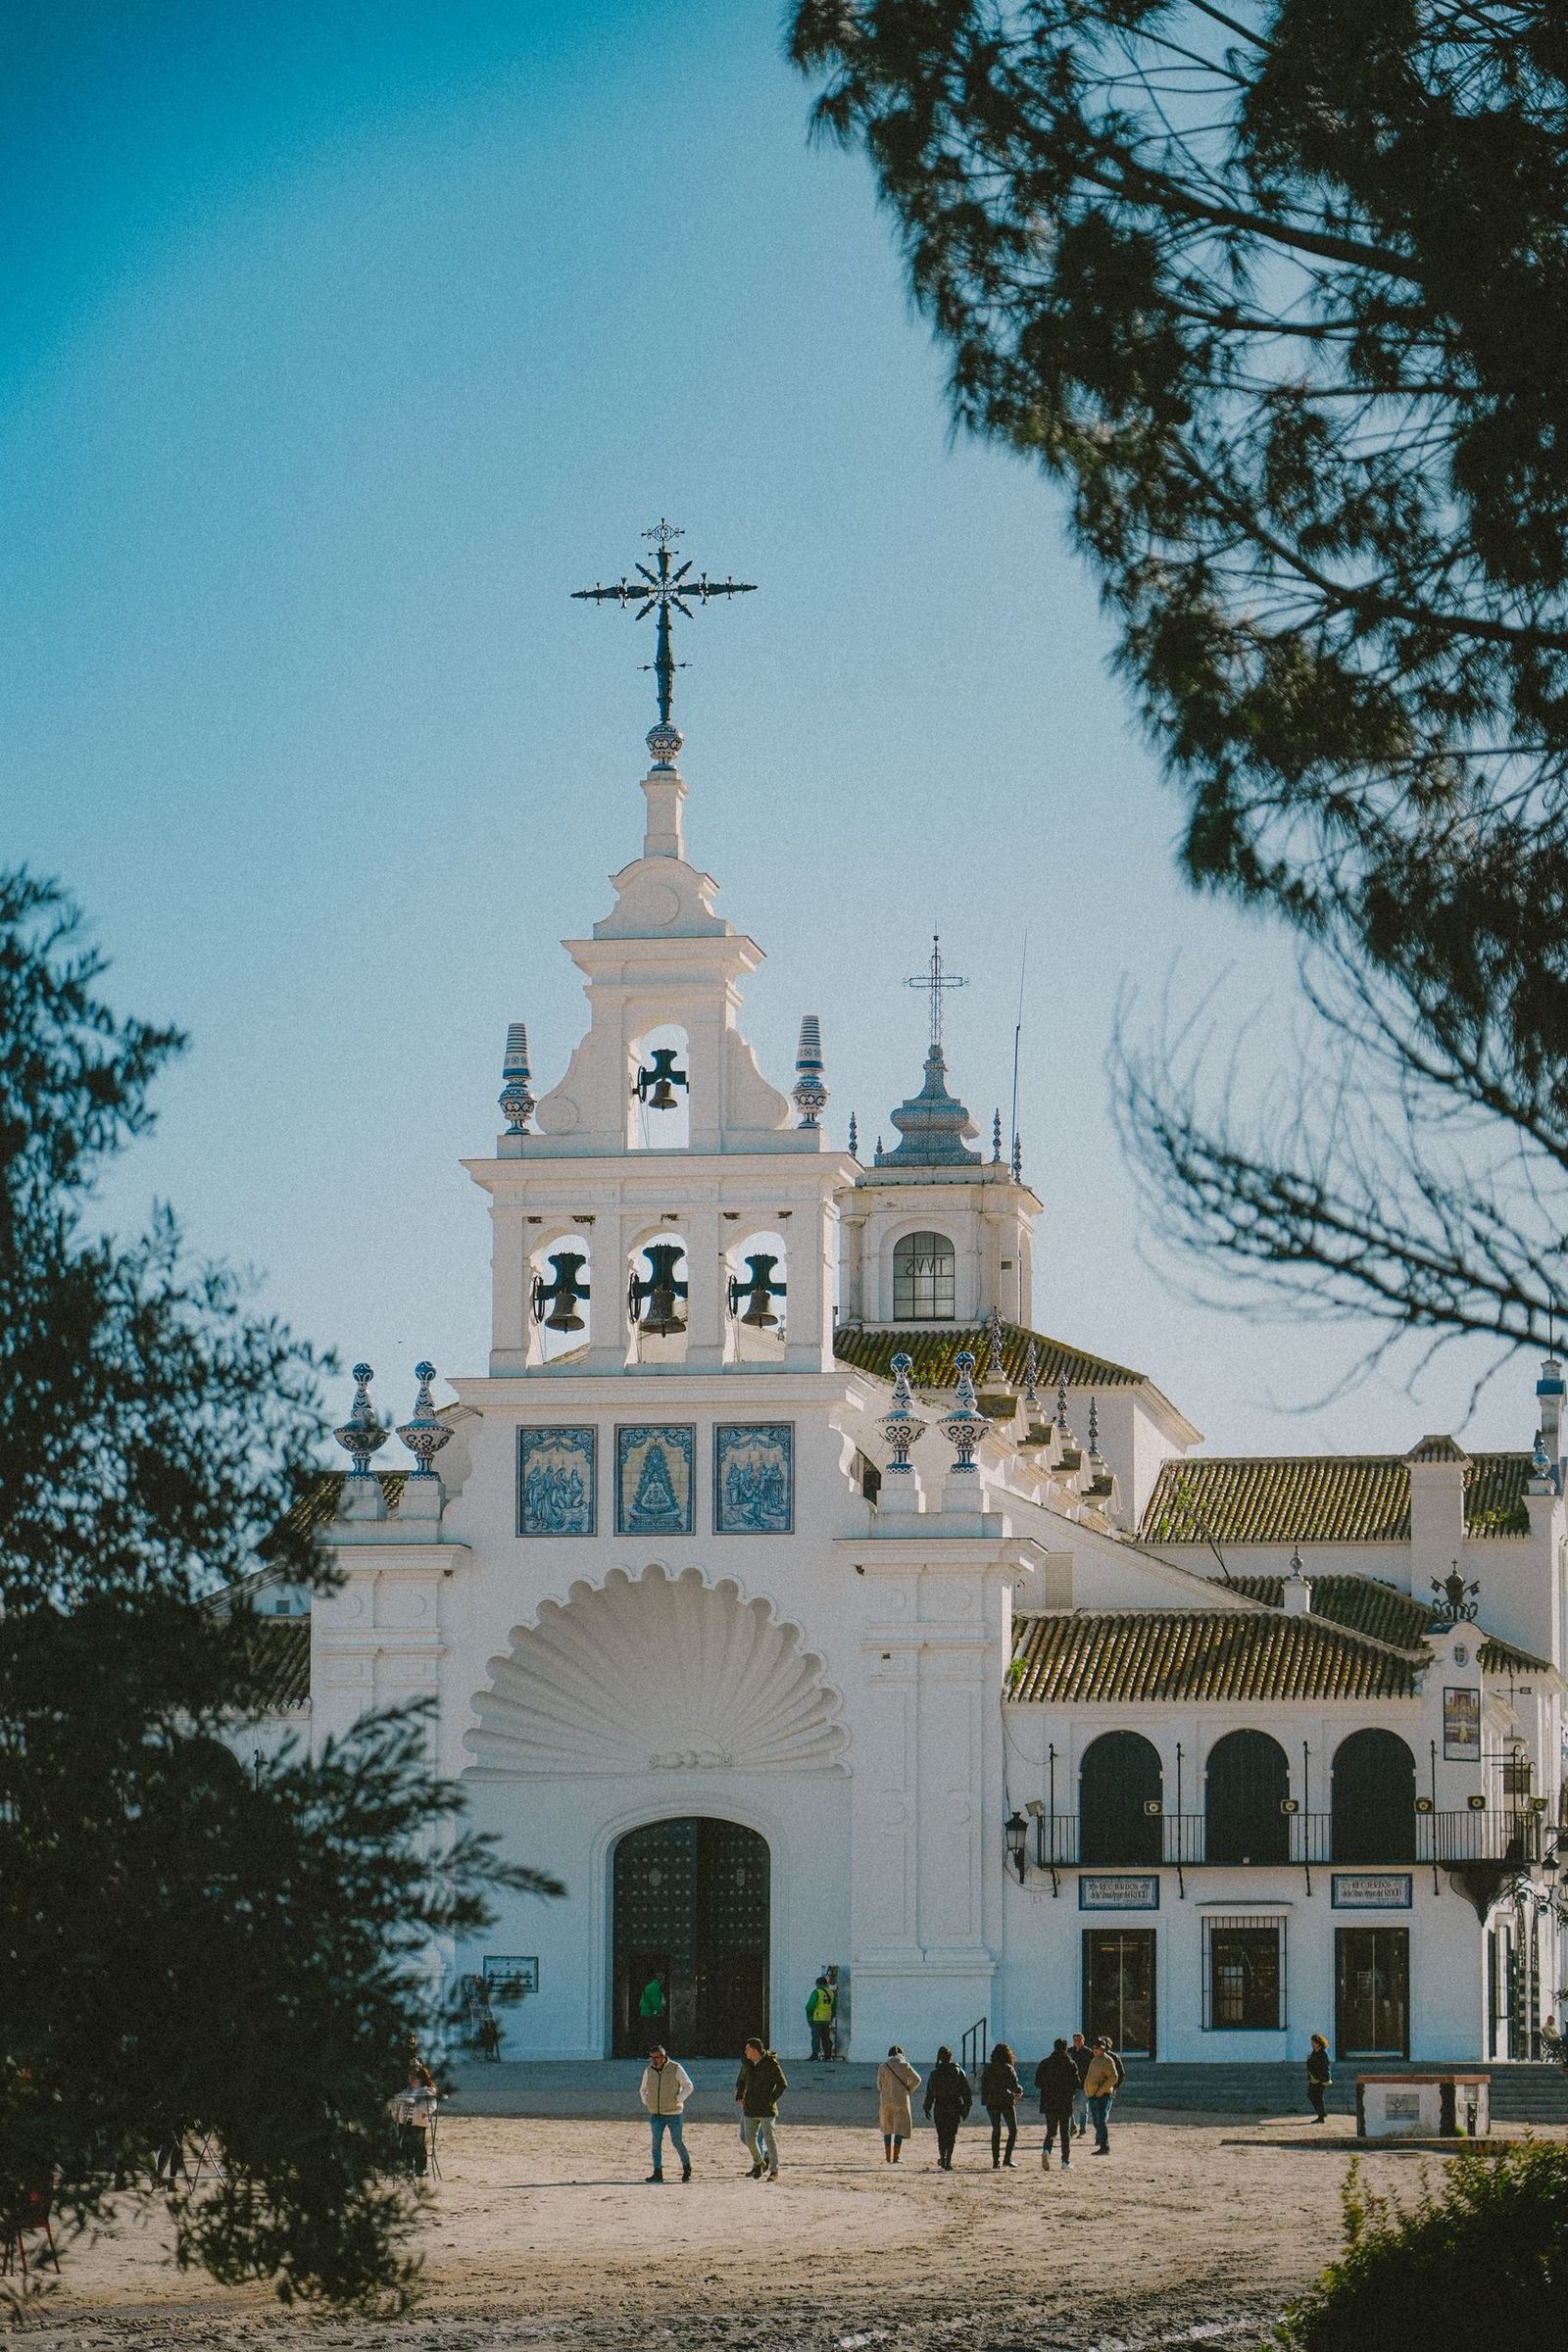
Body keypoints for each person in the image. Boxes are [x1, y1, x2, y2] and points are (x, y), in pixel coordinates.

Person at [734, 2034, 787, 2179]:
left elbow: (782, 2084)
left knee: (770, 2139)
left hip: (766, 2109)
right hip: (750, 2107)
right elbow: (743, 2080)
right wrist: (739, 2095)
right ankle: (760, 2162)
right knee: (748, 2138)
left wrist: (770, 2099)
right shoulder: (747, 2063)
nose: (745, 2052)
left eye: (747, 2049)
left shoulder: (770, 2063)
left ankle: (774, 2170)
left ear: (755, 2050)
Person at [640, 2044, 695, 2181]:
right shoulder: (648, 2070)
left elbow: (688, 2086)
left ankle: (686, 2168)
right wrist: (647, 2101)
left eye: (657, 2057)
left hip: (674, 2113)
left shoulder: (676, 2068)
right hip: (656, 2113)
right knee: (656, 2144)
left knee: (677, 2141)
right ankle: (657, 2172)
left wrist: (678, 2099)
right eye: (651, 2058)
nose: (654, 2060)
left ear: (664, 2057)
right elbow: (642, 2089)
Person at [922, 2044, 972, 2169]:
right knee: (951, 2134)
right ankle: (948, 2160)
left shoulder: (935, 2073)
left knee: (941, 2134)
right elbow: (966, 2091)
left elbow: (930, 2092)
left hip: (940, 2105)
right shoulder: (958, 2071)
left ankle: (943, 2158)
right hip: (954, 2105)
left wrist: (927, 2107)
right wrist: (967, 2105)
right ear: (950, 2057)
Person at [1034, 2037, 1079, 2169]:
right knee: (1065, 2133)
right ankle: (1065, 2161)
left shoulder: (1045, 2063)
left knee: (1051, 2131)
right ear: (1065, 2048)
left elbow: (1037, 2083)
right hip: (1065, 2102)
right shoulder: (1070, 2064)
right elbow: (1076, 2083)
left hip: (1049, 2102)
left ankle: (1046, 2150)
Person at [979, 2041, 1022, 2168]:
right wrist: (1019, 2091)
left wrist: (985, 2100)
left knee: (996, 2130)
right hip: (1006, 2101)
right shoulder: (1008, 2068)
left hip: (992, 2102)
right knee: (1013, 2130)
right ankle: (1007, 2159)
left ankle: (995, 2161)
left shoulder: (988, 2069)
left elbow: (984, 2086)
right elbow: (1014, 2085)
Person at [876, 2044, 921, 2163]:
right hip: (901, 2099)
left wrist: (885, 2091)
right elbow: (917, 2079)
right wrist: (908, 2089)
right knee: (899, 2127)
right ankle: (896, 2157)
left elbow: (879, 2084)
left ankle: (887, 2157)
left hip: (886, 2099)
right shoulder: (905, 2065)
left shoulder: (883, 2066)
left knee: (887, 2127)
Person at [392, 2062, 437, 2175]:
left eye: (415, 2079)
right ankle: (408, 2167)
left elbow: (432, 2105)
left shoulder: (427, 2092)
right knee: (406, 2144)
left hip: (419, 2122)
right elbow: (396, 2104)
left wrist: (425, 2111)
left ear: (420, 2080)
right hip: (405, 2121)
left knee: (419, 2145)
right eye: (411, 2079)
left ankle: (421, 2167)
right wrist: (396, 2114)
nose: (412, 2082)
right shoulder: (406, 2092)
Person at [1083, 2036, 1120, 2155]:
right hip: (1092, 2095)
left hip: (1102, 2096)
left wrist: (1102, 2090)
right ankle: (1101, 2142)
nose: (1094, 2050)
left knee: (1101, 2121)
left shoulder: (1107, 2060)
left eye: (1097, 2048)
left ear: (1103, 2048)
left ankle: (1105, 2146)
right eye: (1093, 2048)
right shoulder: (1094, 2060)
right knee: (1096, 2121)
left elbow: (1114, 2077)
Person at [806, 1974, 837, 2061]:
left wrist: (809, 2016)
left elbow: (809, 2006)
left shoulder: (817, 1992)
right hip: (826, 2019)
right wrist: (831, 2017)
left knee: (816, 2037)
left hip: (816, 2019)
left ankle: (815, 2054)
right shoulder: (831, 1993)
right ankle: (828, 2055)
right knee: (826, 2038)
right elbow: (834, 2007)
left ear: (817, 1984)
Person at [1068, 2032, 1092, 2137]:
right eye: (1075, 2040)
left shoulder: (1088, 2053)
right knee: (1068, 2106)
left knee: (1083, 2107)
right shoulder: (1069, 2051)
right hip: (1071, 2084)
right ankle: (1072, 2127)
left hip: (1083, 2084)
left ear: (1083, 2040)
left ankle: (1082, 2130)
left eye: (1079, 2040)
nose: (1077, 2042)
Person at [1305, 2033, 1332, 2123]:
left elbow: (1323, 2066)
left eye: (1313, 2042)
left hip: (1320, 2079)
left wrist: (1322, 2078)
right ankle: (1322, 2114)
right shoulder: (1315, 2052)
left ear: (1318, 2043)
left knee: (1315, 2096)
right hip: (1315, 2078)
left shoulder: (1322, 2054)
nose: (1312, 2044)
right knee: (1314, 2095)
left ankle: (1321, 2116)